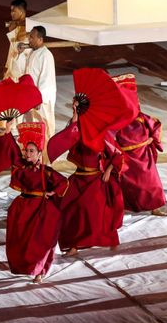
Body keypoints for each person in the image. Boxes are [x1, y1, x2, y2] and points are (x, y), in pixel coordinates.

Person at [0, 121, 69, 282]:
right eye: (26, 150)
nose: (27, 153)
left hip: (39, 210)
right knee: (20, 241)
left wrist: (51, 192)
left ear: (38, 153)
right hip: (22, 208)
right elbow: (13, 150)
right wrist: (8, 131)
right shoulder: (20, 166)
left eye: (31, 151)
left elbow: (63, 182)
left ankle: (39, 271)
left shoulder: (46, 171)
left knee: (38, 242)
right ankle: (23, 266)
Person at [48, 101, 126, 257]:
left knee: (97, 212)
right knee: (68, 208)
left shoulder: (101, 134)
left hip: (95, 179)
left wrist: (109, 170)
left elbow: (118, 155)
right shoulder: (78, 131)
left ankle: (110, 240)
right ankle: (73, 245)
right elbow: (69, 134)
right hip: (78, 177)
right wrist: (75, 115)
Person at [112, 74, 167, 216]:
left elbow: (156, 126)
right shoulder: (114, 119)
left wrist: (151, 139)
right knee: (127, 184)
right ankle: (127, 205)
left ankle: (155, 206)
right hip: (125, 157)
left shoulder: (140, 117)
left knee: (151, 182)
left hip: (143, 156)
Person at [22, 26, 57, 148]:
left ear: (40, 39)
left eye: (32, 37)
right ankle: (33, 157)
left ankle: (45, 160)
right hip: (31, 99)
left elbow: (46, 80)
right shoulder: (33, 52)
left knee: (44, 130)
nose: (29, 39)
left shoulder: (46, 55)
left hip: (42, 101)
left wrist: (38, 98)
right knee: (31, 129)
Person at [4, 0, 35, 81]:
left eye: (14, 11)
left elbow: (31, 46)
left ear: (21, 11)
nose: (11, 13)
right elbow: (12, 47)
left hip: (23, 66)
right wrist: (7, 65)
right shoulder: (13, 26)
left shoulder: (30, 27)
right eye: (11, 11)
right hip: (13, 64)